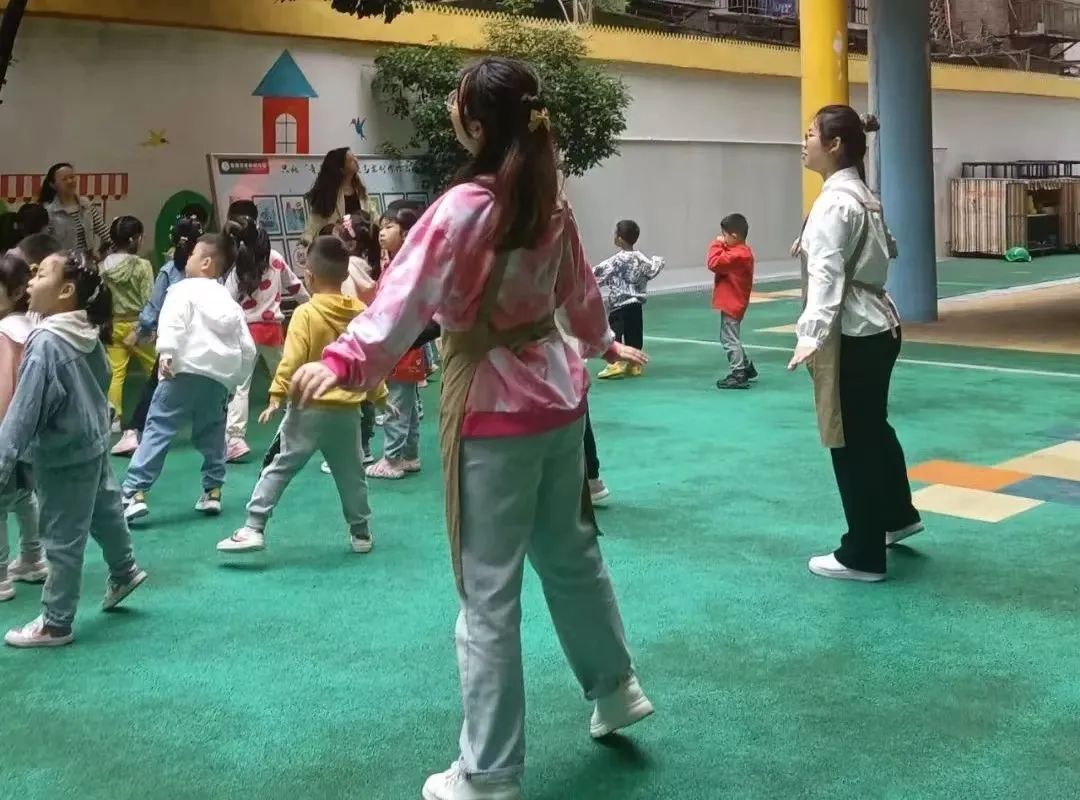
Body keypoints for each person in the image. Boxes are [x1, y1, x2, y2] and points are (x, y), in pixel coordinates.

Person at [290, 57, 653, 800]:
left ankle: (487, 771)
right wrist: (603, 342)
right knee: (572, 552)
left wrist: (345, 360)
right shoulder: (551, 200)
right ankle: (616, 689)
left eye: (458, 105)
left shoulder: (460, 209)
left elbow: (402, 299)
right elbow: (579, 292)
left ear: (477, 125)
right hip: (559, 399)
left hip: (489, 405)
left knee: (487, 592)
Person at [789, 104, 922, 583]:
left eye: (810, 135)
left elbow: (827, 275)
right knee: (873, 429)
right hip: (880, 325)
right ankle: (897, 516)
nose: (804, 143)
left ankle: (862, 553)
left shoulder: (834, 203)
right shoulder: (863, 196)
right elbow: (887, 251)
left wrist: (810, 334)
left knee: (850, 439)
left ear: (834, 145)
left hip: (855, 332)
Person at [0, 250, 146, 648]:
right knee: (106, 512)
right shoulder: (84, 329)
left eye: (41, 274)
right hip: (92, 442)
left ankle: (56, 622)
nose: (31, 279)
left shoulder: (46, 341)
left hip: (62, 455)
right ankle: (125, 570)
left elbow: (24, 410)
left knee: (61, 536)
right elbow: (102, 376)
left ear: (65, 291)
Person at [219, 236, 391, 556]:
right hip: (347, 413)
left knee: (280, 467)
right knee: (352, 476)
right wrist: (380, 396)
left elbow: (292, 359)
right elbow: (367, 361)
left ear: (309, 276)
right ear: (345, 275)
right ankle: (361, 532)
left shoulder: (305, 314)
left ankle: (253, 527)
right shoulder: (360, 313)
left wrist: (276, 394)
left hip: (306, 410)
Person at [122, 225, 256, 523]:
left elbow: (172, 321)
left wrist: (167, 352)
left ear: (205, 262)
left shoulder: (181, 290)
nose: (187, 257)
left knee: (159, 428)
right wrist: (235, 381)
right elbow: (247, 347)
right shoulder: (228, 301)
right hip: (218, 379)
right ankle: (213, 490)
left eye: (193, 253)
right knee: (212, 433)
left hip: (182, 372)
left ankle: (133, 492)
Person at [111, 216, 204, 457]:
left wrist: (141, 330)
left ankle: (132, 432)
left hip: (172, 339)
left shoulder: (169, 270)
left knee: (155, 383)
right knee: (212, 387)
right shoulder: (208, 270)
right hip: (203, 338)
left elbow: (154, 305)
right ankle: (226, 437)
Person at [224, 216, 308, 462]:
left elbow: (226, 300)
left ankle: (235, 439)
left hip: (245, 334)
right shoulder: (276, 259)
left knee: (241, 387)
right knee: (286, 377)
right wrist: (312, 304)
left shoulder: (238, 265)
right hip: (272, 331)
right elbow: (295, 287)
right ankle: (304, 425)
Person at [365, 201, 436, 481]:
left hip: (400, 343)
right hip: (406, 343)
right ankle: (409, 455)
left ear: (406, 233)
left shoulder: (405, 267)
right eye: (381, 227)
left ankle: (392, 459)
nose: (382, 232)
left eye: (389, 227)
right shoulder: (399, 264)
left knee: (395, 404)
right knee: (407, 404)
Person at [0, 252, 45, 601]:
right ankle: (32, 557)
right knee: (23, 495)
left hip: (7, 432)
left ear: (15, 292)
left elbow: (4, 389)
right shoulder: (34, 329)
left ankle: (1, 576)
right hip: (33, 433)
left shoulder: (4, 334)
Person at [101, 215, 156, 428]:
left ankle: (113, 419)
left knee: (116, 374)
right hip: (139, 325)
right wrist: (147, 327)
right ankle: (160, 412)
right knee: (155, 370)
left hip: (114, 325)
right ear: (135, 239)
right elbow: (149, 299)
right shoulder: (143, 266)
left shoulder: (103, 267)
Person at [593, 220, 664, 380]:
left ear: (619, 239)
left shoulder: (615, 261)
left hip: (618, 305)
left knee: (615, 332)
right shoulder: (641, 258)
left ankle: (615, 364)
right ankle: (634, 364)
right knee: (635, 333)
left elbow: (596, 275)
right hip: (636, 304)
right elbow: (652, 269)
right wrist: (658, 261)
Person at [707, 212, 758, 390]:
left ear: (734, 236)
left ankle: (739, 373)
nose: (723, 238)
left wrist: (716, 244)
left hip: (733, 302)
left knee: (729, 338)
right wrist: (723, 244)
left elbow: (714, 263)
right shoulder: (741, 251)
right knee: (730, 336)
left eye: (725, 235)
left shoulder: (739, 255)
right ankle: (746, 366)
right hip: (733, 301)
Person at [39, 163, 112, 257]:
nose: (70, 181)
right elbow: (44, 244)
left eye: (72, 177)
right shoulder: (48, 211)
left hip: (88, 262)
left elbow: (105, 233)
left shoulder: (86, 205)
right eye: (64, 179)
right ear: (53, 185)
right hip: (63, 262)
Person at [302, 148, 370, 246]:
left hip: (361, 245)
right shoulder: (327, 194)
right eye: (351, 160)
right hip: (335, 247)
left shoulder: (360, 189)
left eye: (354, 157)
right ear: (342, 169)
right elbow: (312, 229)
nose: (356, 160)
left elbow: (372, 216)